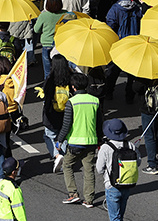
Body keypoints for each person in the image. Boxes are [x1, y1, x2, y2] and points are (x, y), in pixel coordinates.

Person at [57, 72, 103, 208]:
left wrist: (59, 140)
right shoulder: (95, 100)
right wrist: (100, 139)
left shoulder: (71, 102)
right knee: (89, 169)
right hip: (91, 142)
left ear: (73, 87)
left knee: (67, 165)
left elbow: (66, 124)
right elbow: (99, 123)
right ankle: (89, 199)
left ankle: (73, 194)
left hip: (75, 142)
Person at [103, 0, 142, 102]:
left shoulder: (114, 9)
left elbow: (110, 25)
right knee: (132, 71)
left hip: (119, 43)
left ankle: (109, 92)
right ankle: (129, 95)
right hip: (134, 43)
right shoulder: (137, 8)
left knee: (113, 70)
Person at [96, 119, 140, 221]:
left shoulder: (105, 148)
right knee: (120, 215)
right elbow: (138, 162)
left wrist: (106, 174)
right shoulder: (130, 145)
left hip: (112, 186)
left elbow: (99, 168)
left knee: (115, 218)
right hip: (127, 184)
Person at [41, 54, 72, 157]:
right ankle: (62, 155)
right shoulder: (70, 78)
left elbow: (46, 97)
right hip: (67, 113)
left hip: (52, 114)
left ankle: (57, 155)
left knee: (49, 136)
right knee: (64, 136)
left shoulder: (50, 80)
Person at [33, 0, 68, 79]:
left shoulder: (43, 15)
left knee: (48, 71)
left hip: (46, 44)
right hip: (60, 44)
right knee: (61, 69)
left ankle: (48, 88)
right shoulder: (66, 14)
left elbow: (36, 29)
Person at [139, 78, 158, 175]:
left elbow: (137, 88)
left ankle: (152, 165)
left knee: (149, 136)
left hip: (149, 109)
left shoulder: (145, 75)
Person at [0, 156, 26, 221]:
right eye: (17, 168)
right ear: (13, 172)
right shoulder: (14, 190)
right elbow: (19, 211)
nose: (19, 169)